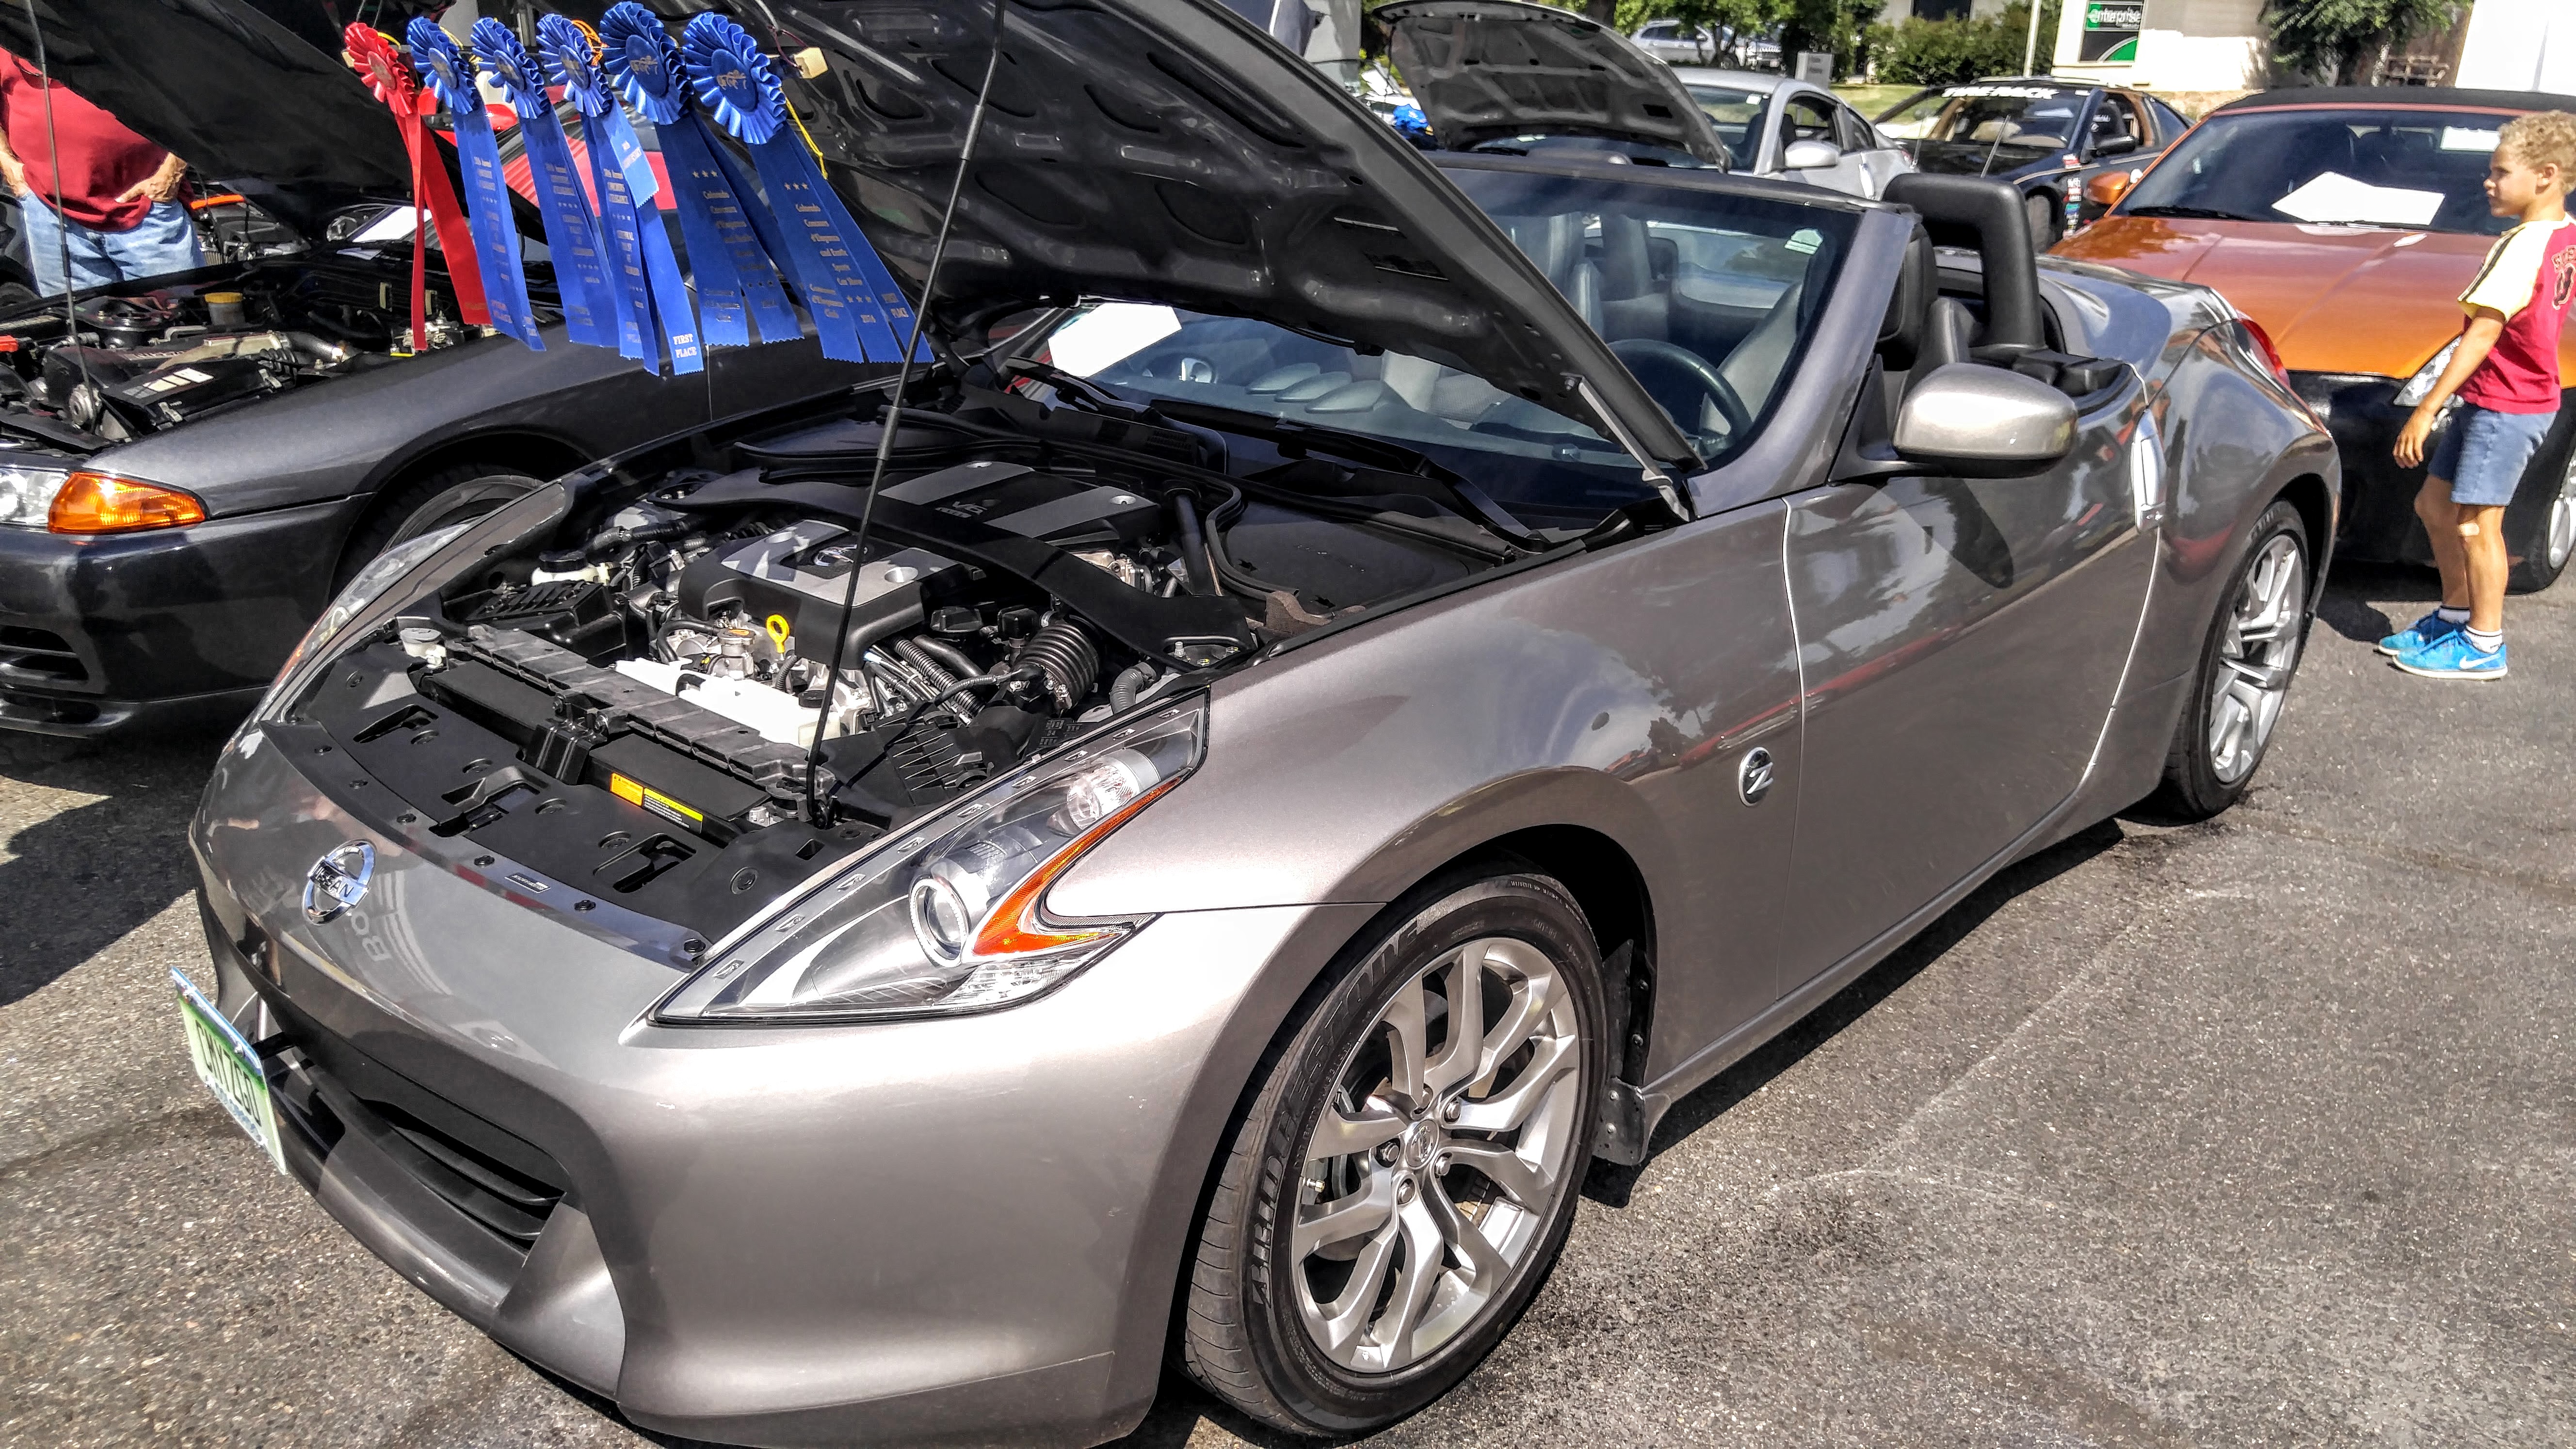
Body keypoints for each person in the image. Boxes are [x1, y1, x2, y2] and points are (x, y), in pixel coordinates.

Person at [2385, 111, 2576, 680]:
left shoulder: (2521, 247)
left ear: (2544, 175)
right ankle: (2452, 615)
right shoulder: (2561, 233)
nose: (2487, 183)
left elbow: (2482, 332)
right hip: (2498, 396)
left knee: (2476, 524)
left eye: (2500, 172)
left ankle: (2483, 643)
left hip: (2507, 405)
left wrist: (2425, 408)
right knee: (2434, 507)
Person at [0, 49, 202, 297]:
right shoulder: (10, 36)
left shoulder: (117, 25)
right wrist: (8, 165)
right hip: (48, 214)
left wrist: (171, 173)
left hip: (145, 211)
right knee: (80, 328)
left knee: (179, 321)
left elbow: (194, 96)